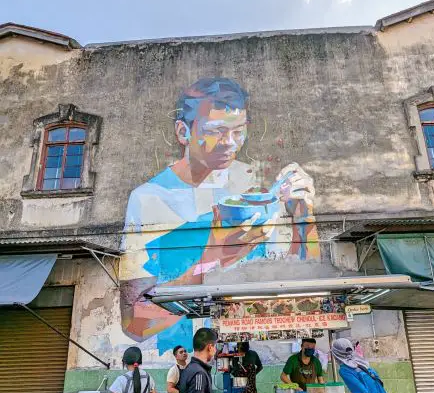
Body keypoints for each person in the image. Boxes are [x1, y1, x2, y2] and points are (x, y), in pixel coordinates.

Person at [120, 77, 319, 351]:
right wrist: (210, 263)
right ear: (182, 132)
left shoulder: (257, 189)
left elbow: (298, 294)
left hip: (252, 353)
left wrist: (304, 222)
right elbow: (134, 323)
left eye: (239, 131)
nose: (230, 143)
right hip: (184, 359)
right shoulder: (148, 199)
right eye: (216, 131)